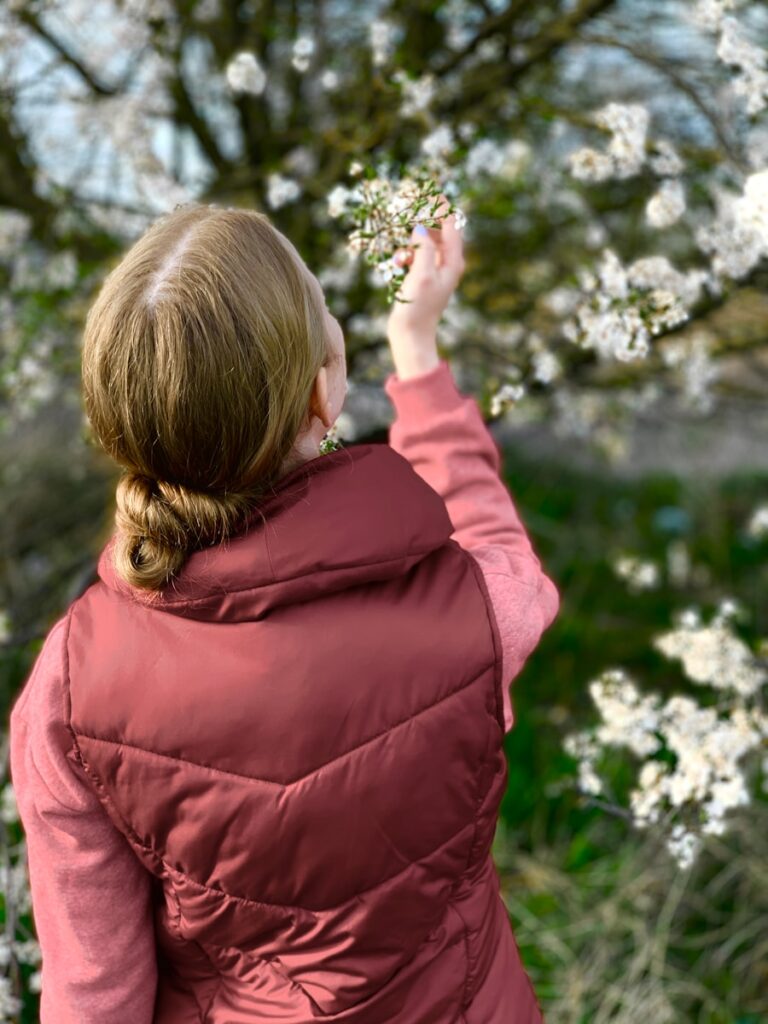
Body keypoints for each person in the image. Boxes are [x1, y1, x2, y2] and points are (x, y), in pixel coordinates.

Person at [8, 198, 560, 1023]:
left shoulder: (72, 687)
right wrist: (416, 355)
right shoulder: (476, 609)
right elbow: (499, 547)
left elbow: (96, 990)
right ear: (324, 388)